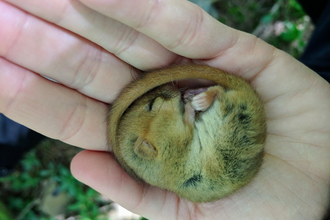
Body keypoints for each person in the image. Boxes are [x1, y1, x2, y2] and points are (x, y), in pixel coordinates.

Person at [0, 0, 329, 219]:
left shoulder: (157, 151)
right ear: (148, 144)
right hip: (227, 148)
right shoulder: (168, 157)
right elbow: (190, 143)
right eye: (155, 103)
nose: (169, 94)